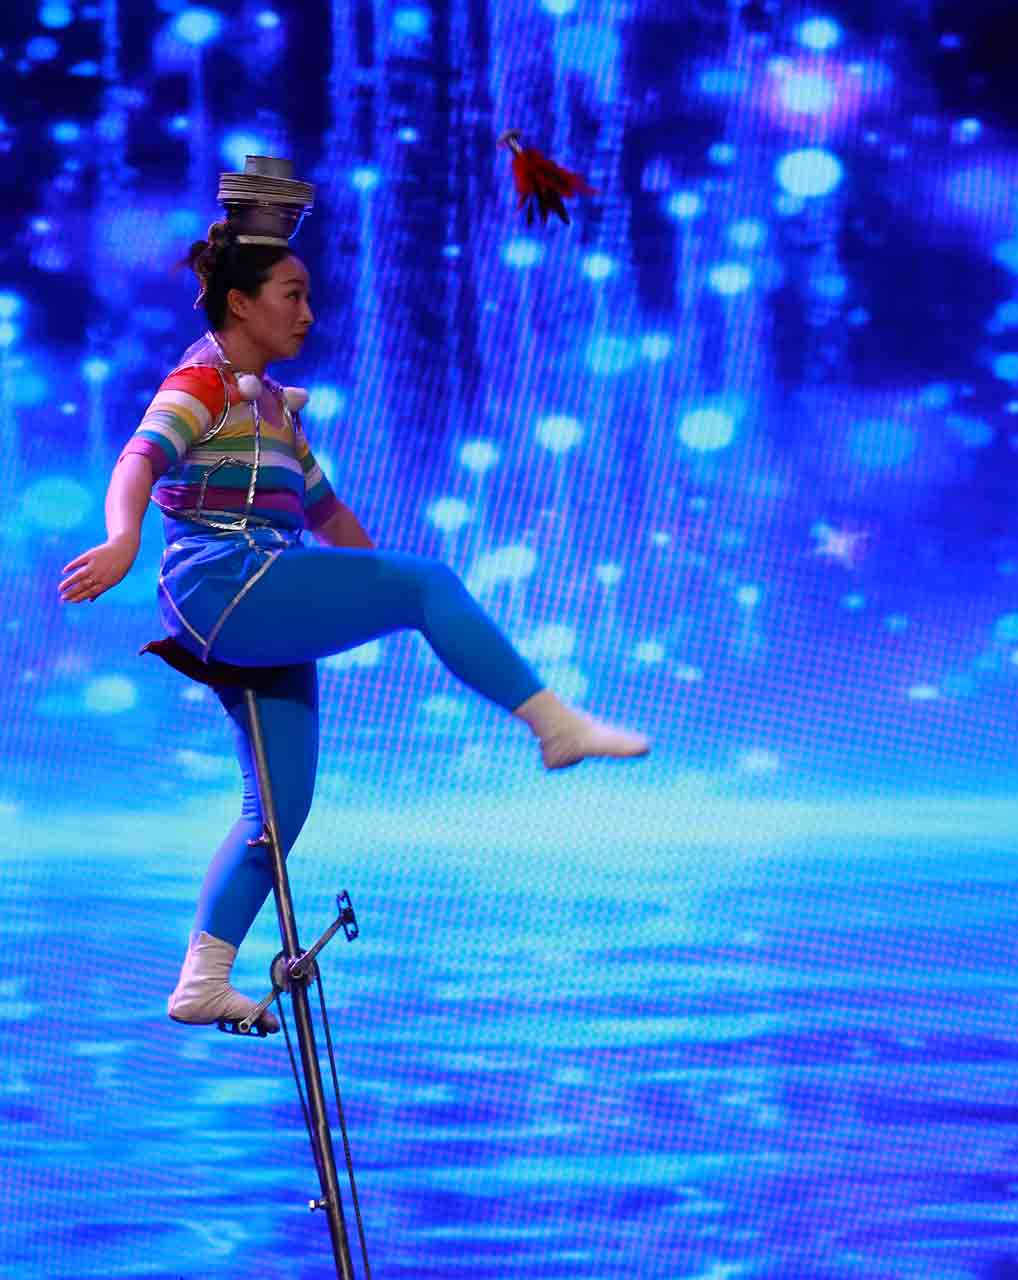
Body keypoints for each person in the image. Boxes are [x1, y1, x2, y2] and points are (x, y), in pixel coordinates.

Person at [58, 157, 649, 1036]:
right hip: (227, 586)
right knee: (427, 578)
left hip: (267, 594)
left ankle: (202, 978)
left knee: (279, 812)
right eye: (291, 295)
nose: (308, 312)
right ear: (239, 304)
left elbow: (330, 516)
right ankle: (553, 725)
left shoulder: (277, 411)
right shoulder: (201, 383)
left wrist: (390, 602)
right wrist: (123, 538)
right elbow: (136, 462)